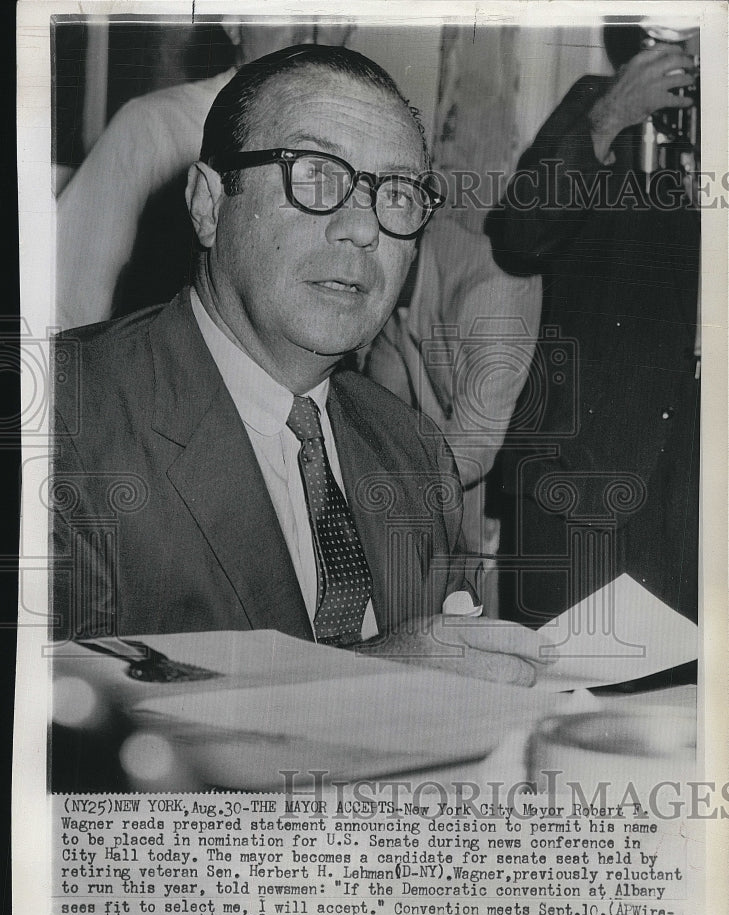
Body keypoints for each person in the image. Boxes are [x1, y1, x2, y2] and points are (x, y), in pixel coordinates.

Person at [53, 45, 551, 691]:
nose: (361, 228)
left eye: (396, 192)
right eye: (315, 176)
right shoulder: (64, 419)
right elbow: (56, 737)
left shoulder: (412, 451)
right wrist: (364, 679)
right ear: (208, 203)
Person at [486, 27, 700, 630]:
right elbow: (519, 235)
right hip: (585, 483)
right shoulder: (593, 100)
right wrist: (609, 116)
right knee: (565, 701)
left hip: (698, 490)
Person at [55, 22, 353, 329]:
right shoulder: (153, 125)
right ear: (234, 23)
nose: (311, 28)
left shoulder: (363, 149)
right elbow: (68, 300)